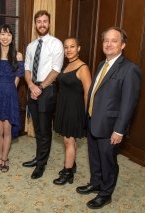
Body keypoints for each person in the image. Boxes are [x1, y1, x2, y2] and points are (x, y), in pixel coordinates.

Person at [76, 27, 142, 209]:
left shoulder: (130, 69)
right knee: (94, 157)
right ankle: (96, 183)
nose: (109, 44)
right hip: (93, 121)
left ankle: (105, 194)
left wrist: (119, 130)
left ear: (122, 45)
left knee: (108, 161)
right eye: (106, 40)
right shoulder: (101, 64)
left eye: (114, 41)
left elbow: (128, 104)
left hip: (110, 126)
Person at [22, 10, 64, 179]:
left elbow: (56, 69)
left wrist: (41, 87)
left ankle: (41, 165)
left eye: (44, 21)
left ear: (49, 23)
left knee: (45, 129)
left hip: (47, 90)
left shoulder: (56, 44)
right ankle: (39, 157)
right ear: (35, 24)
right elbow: (26, 68)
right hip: (32, 88)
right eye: (38, 21)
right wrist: (31, 85)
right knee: (37, 127)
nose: (41, 24)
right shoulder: (31, 46)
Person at [0, 24, 25, 172]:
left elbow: (18, 78)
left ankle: (4, 158)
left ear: (12, 37)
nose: (5, 37)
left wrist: (9, 89)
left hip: (10, 95)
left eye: (8, 34)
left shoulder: (18, 55)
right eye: (2, 34)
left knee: (7, 130)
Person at [53, 37, 91, 185]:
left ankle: (67, 172)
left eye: (72, 47)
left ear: (79, 48)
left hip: (74, 109)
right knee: (68, 140)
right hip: (64, 106)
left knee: (68, 140)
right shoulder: (67, 65)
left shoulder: (83, 68)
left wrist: (87, 114)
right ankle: (71, 165)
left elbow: (88, 92)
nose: (69, 50)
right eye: (66, 47)